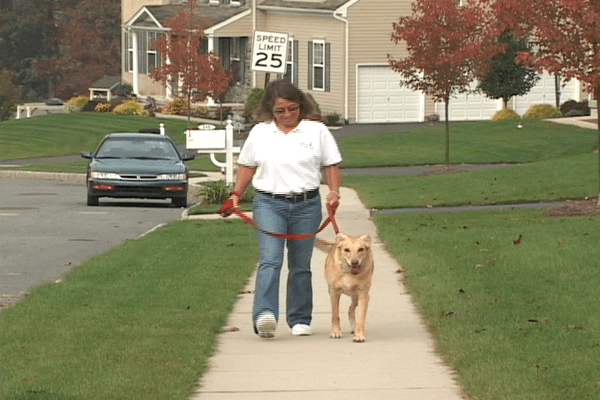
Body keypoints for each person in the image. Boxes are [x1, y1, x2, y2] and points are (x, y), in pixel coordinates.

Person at [223, 80, 342, 338]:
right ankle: (265, 314)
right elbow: (247, 166)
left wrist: (333, 192)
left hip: (306, 205)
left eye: (292, 108)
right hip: (269, 203)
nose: (288, 115)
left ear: (301, 105)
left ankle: (300, 318)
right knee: (271, 260)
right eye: (281, 111)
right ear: (270, 110)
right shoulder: (260, 133)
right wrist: (236, 195)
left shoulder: (316, 131)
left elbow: (331, 164)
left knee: (301, 264)